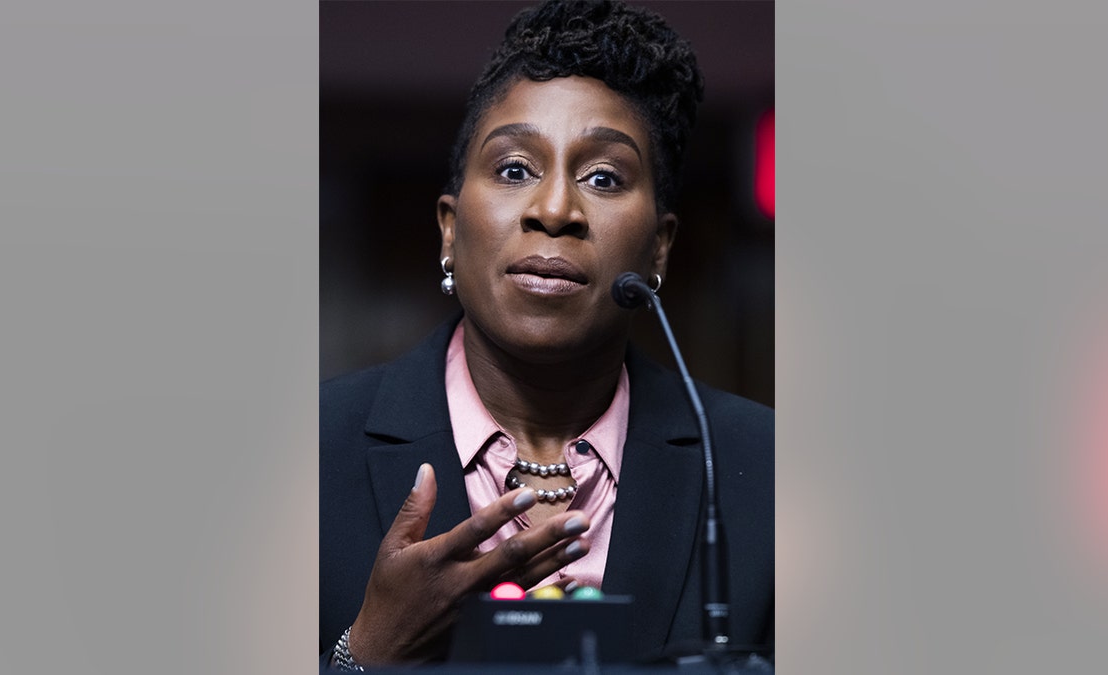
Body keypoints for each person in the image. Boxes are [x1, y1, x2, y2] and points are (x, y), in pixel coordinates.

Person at [320, 0, 773, 669]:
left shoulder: (765, 470)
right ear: (449, 228)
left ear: (659, 248)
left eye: (603, 177)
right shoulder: (308, 451)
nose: (555, 210)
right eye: (513, 169)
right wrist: (364, 654)